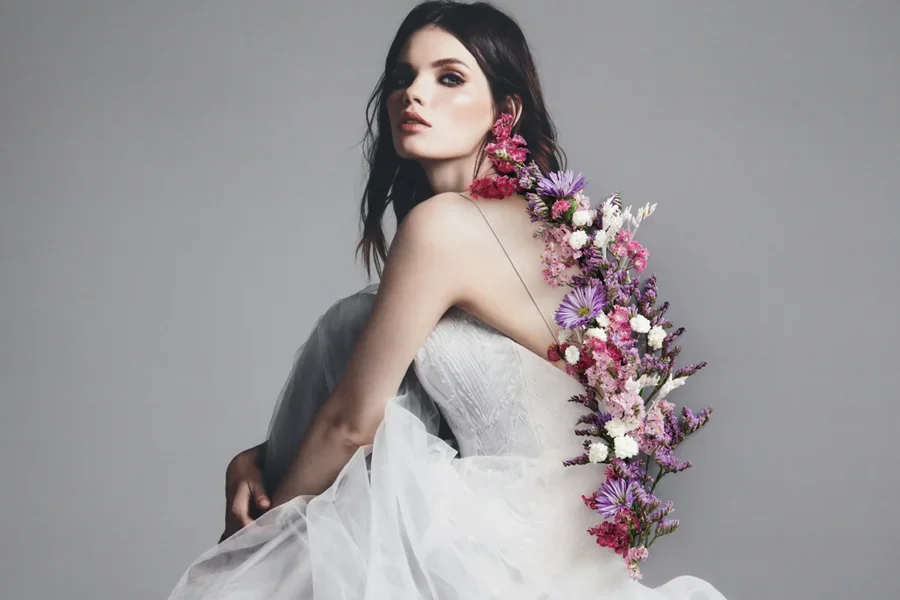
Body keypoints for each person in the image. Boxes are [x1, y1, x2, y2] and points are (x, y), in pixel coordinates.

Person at [166, 2, 729, 598]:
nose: (414, 94)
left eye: (449, 77)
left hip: (500, 556)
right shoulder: (559, 235)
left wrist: (258, 545)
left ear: (504, 111)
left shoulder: (444, 228)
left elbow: (351, 425)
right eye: (402, 77)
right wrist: (258, 457)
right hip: (570, 561)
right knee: (356, 324)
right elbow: (405, 402)